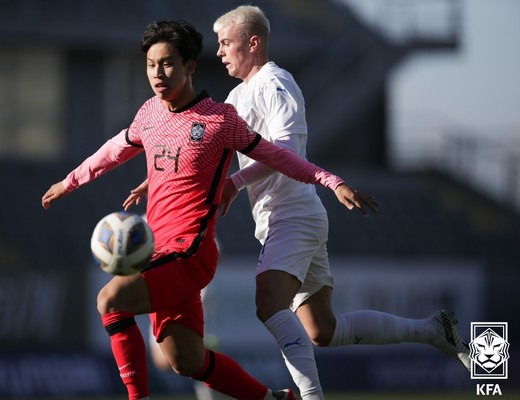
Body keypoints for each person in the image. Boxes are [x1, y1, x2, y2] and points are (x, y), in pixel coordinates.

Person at [125, 6, 470, 400]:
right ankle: (432, 330)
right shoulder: (237, 96)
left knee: (269, 303)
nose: (219, 52)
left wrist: (236, 183)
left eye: (225, 43)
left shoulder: (276, 84)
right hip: (278, 217)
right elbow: (202, 149)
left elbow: (286, 150)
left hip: (293, 214)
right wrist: (154, 179)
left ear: (252, 42)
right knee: (322, 329)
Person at [41, 19, 373, 400]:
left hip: (191, 251)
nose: (158, 74)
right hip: (158, 252)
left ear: (189, 66)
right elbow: (114, 149)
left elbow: (279, 157)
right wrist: (70, 182)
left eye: (167, 63)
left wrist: (330, 181)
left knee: (110, 300)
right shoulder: (149, 113)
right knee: (187, 361)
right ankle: (275, 398)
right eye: (150, 65)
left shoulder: (220, 121)